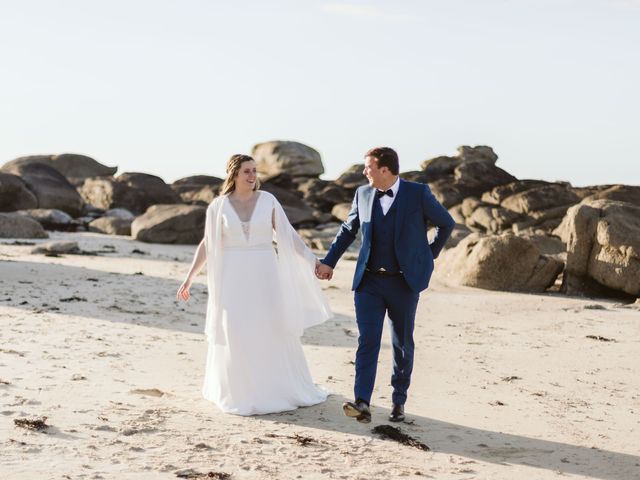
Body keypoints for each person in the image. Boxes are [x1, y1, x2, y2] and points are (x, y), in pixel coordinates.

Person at [177, 154, 332, 416]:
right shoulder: (219, 205)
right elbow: (208, 243)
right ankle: (240, 391)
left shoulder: (268, 200)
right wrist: (190, 277)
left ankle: (275, 388)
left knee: (269, 325)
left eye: (254, 171)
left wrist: (312, 260)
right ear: (234, 174)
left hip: (265, 274)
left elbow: (288, 235)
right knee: (236, 328)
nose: (252, 176)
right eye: (247, 171)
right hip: (233, 278)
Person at [316, 147, 455, 423]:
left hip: (403, 283)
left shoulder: (418, 194)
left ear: (385, 169)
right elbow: (348, 230)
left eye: (368, 167)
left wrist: (426, 255)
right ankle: (362, 402)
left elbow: (446, 224)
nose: (363, 171)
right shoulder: (363, 194)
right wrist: (329, 261)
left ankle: (398, 401)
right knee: (367, 341)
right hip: (369, 282)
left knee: (401, 343)